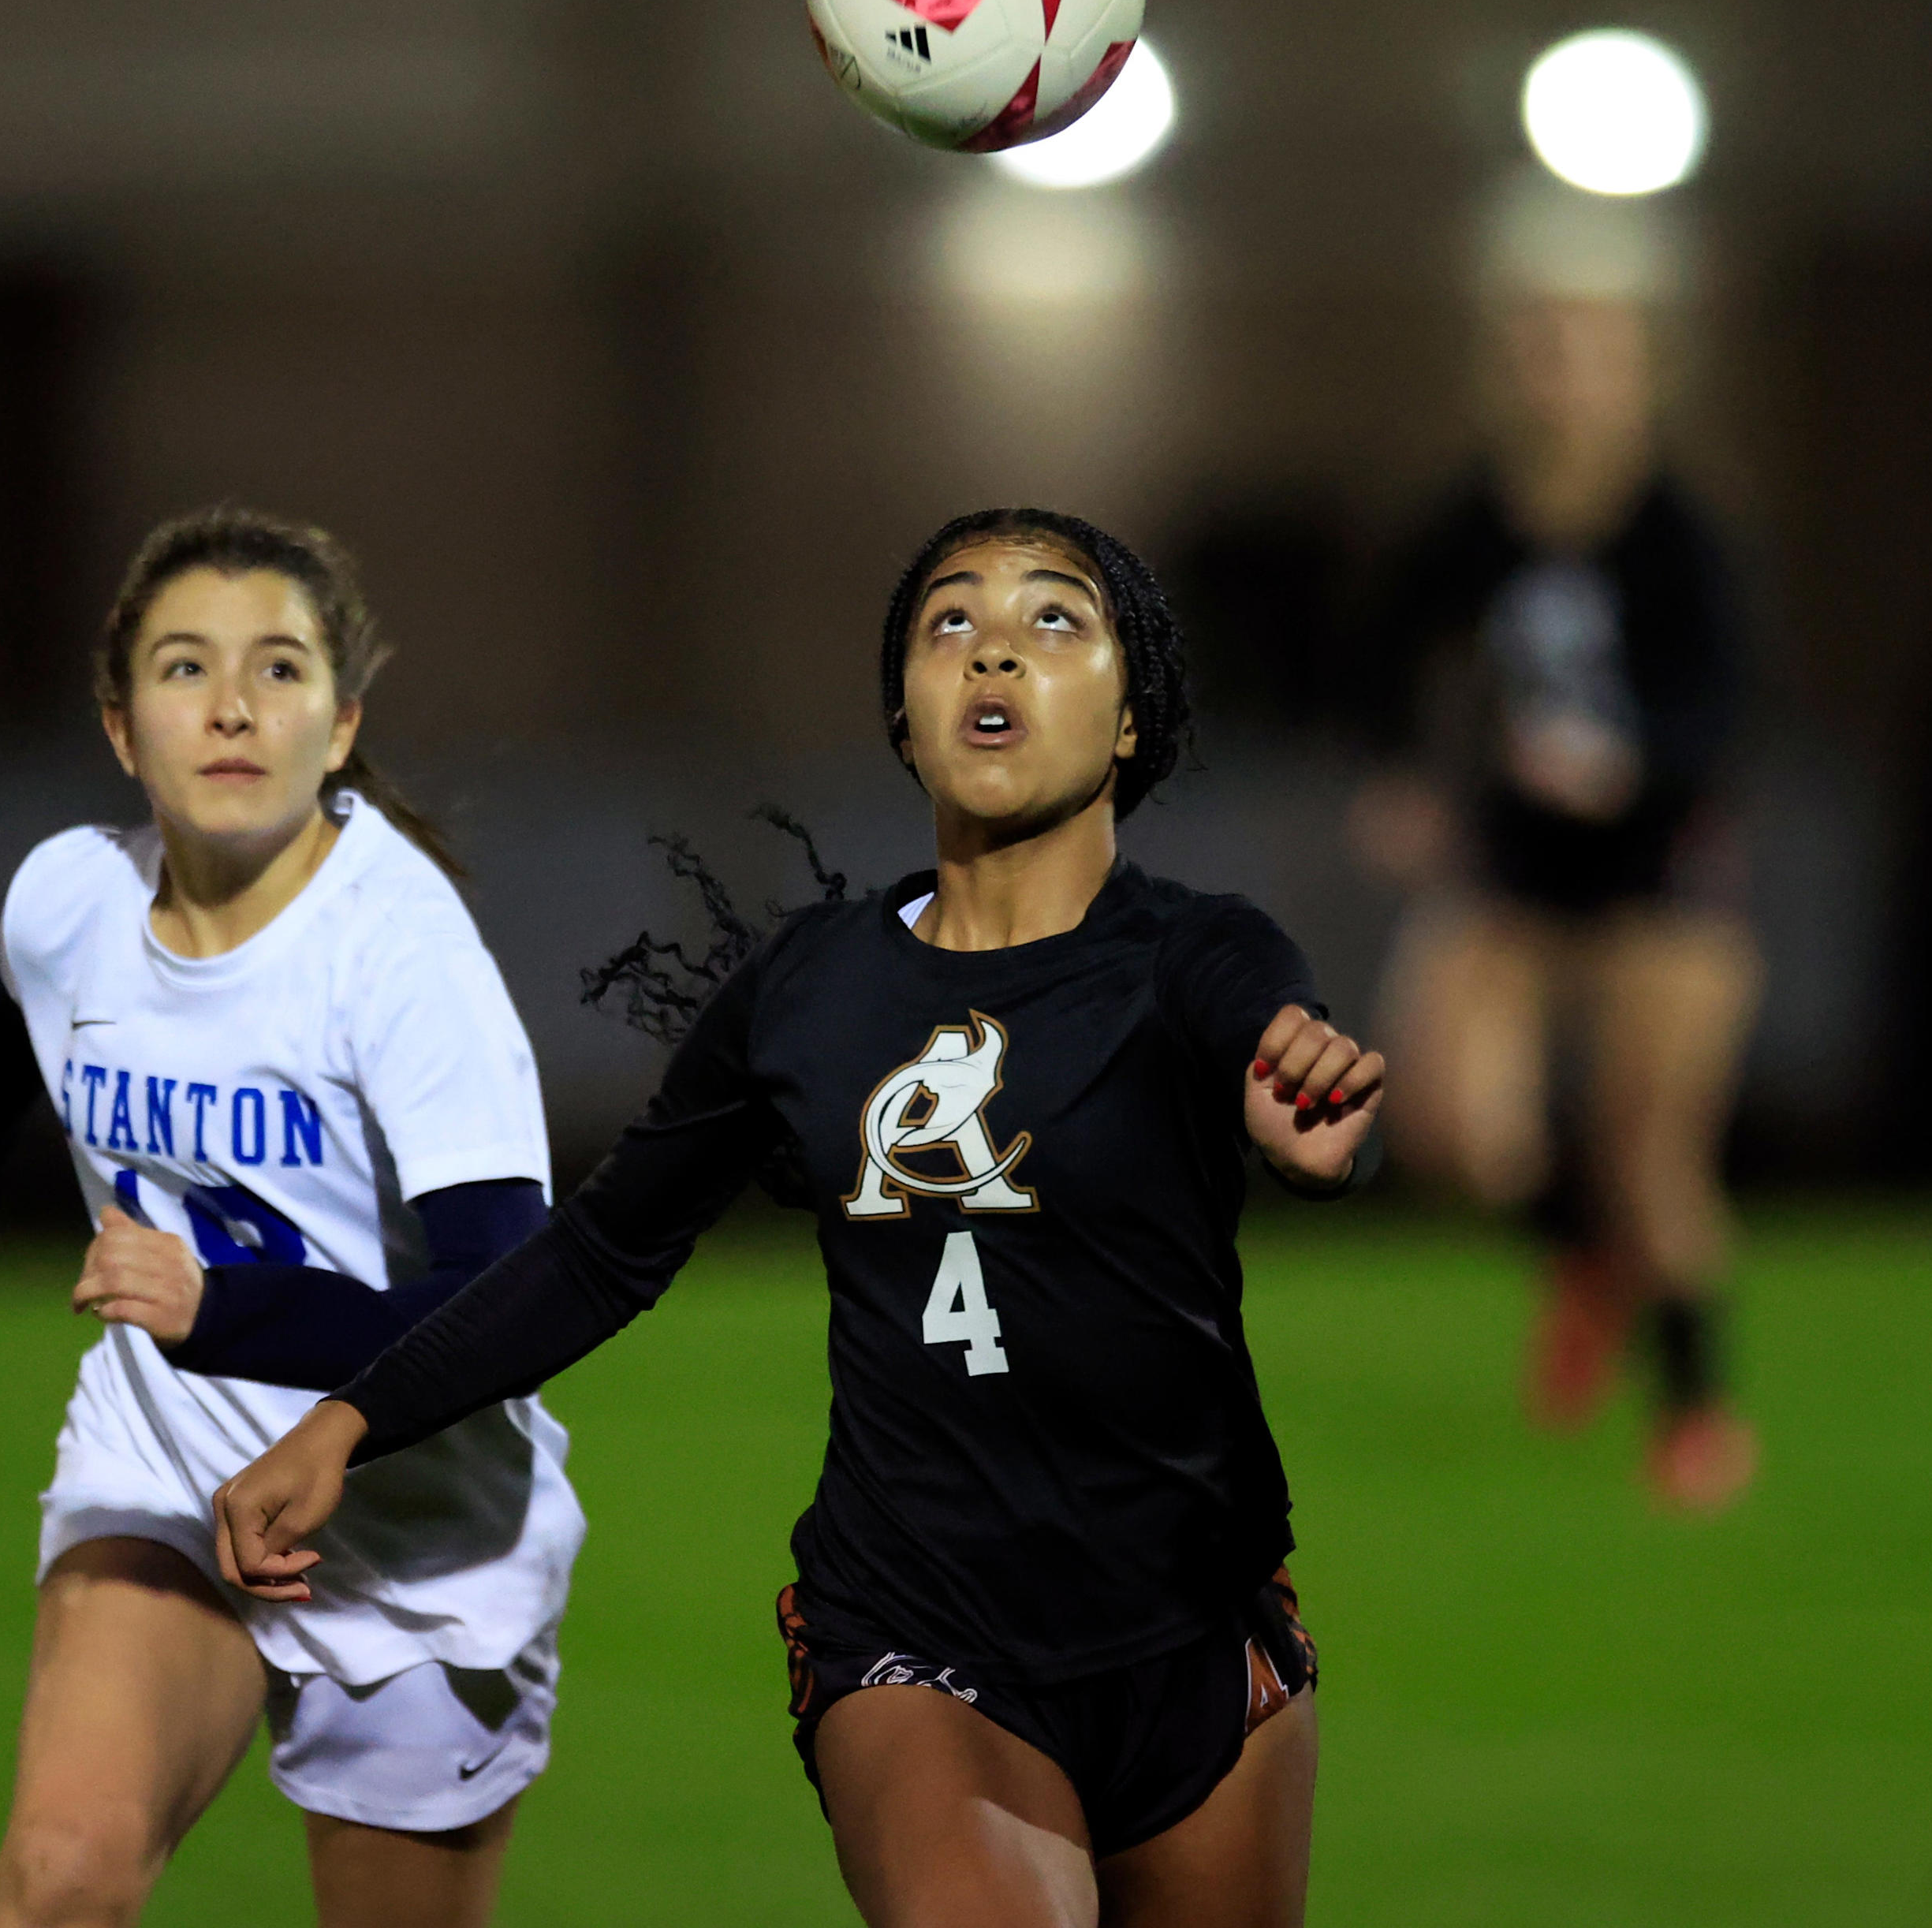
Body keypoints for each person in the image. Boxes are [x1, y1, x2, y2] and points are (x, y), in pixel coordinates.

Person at [211, 509, 1382, 1928]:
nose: (993, 643)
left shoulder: (1198, 952)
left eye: (1054, 619)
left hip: (1196, 1639)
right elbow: (601, 1251)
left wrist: (1309, 1111)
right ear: (905, 709)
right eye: (948, 622)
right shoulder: (808, 989)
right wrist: (351, 1418)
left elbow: (1292, 1074)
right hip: (921, 1638)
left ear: (1132, 717)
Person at [0, 507, 576, 1928]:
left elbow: (513, 1302)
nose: (232, 706)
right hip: (168, 1477)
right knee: (60, 1882)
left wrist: (225, 1311)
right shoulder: (73, 896)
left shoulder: (402, 955)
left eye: (278, 669)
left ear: (341, 726)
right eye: (185, 667)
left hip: (414, 1530)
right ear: (122, 728)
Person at [1345, 283, 1758, 1511]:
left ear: (1641, 380)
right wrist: (1400, 779)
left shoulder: (1682, 535)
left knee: (1651, 1152)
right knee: (1450, 1131)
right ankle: (1584, 1260)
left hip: (1658, 876)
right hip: (1513, 866)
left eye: (1587, 358)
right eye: (1540, 357)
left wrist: (1632, 767)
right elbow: (1373, 650)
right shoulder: (1472, 524)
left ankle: (1693, 1409)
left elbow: (1730, 709)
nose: (1559, 382)